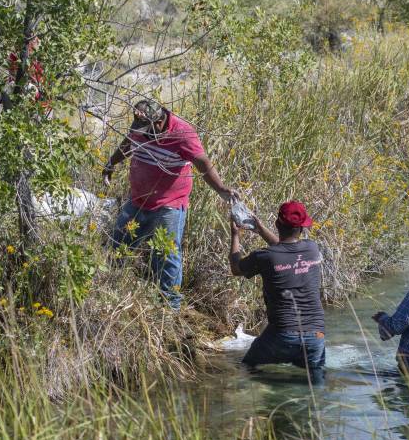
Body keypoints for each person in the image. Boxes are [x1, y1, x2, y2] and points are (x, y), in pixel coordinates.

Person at [104, 100, 238, 308]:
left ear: (158, 123)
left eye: (146, 131)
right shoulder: (141, 127)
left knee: (167, 255)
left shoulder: (182, 133)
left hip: (169, 205)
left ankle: (170, 306)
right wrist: (111, 163)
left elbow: (202, 162)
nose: (142, 134)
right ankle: (109, 291)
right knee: (117, 246)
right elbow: (128, 143)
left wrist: (221, 188)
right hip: (137, 200)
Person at [229, 201, 325, 379]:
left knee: (247, 368)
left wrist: (235, 235)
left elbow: (235, 268)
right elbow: (285, 251)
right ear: (302, 229)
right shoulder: (312, 249)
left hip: (282, 335)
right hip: (316, 335)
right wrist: (260, 229)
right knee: (315, 384)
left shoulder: (265, 256)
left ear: (277, 224)